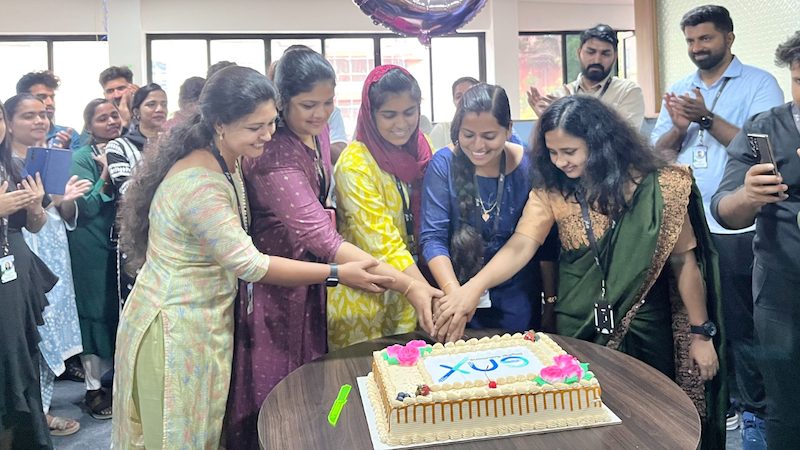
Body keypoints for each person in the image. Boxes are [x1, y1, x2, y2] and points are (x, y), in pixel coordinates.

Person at [111, 65, 392, 448]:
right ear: (220, 124)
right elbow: (252, 264)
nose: (268, 135)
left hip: (204, 321)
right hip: (174, 326)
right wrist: (336, 273)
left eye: (271, 122)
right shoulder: (199, 184)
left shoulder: (228, 158)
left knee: (205, 433)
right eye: (255, 127)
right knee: (177, 437)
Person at [436, 95, 726, 448]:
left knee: (650, 423)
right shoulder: (552, 189)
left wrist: (700, 334)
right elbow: (521, 244)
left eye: (570, 152)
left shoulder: (659, 187)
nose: (560, 162)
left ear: (600, 143)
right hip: (578, 326)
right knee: (584, 425)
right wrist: (472, 288)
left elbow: (684, 264)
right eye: (553, 153)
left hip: (647, 325)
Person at [226, 52, 440, 448]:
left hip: (318, 281)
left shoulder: (317, 134)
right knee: (279, 395)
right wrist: (410, 286)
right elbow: (324, 238)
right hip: (280, 286)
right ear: (282, 100)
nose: (320, 114)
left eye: (328, 102)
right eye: (308, 105)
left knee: (316, 392)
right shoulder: (276, 155)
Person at [650, 6, 783, 441]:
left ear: (728, 37)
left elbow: (763, 152)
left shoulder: (760, 84)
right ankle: (714, 405)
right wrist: (678, 126)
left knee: (740, 324)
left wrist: (707, 118)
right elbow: (658, 155)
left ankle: (751, 411)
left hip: (737, 227)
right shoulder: (679, 88)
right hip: (687, 225)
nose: (696, 49)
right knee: (697, 320)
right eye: (689, 41)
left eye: (704, 39)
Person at [711, 31, 800, 449]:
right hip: (782, 288)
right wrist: (748, 196)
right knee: (783, 396)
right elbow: (724, 210)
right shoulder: (766, 128)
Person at [421, 83, 558, 333]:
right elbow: (433, 238)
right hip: (455, 295)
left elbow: (539, 244)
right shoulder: (443, 164)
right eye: (468, 134)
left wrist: (549, 301)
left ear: (508, 130)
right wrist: (456, 296)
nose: (478, 146)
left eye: (489, 136)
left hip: (517, 301)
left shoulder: (529, 166)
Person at [329, 65, 438, 350]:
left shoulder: (420, 151)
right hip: (367, 304)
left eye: (409, 112)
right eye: (389, 115)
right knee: (360, 389)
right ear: (370, 113)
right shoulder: (355, 164)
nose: (401, 124)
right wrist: (424, 290)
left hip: (414, 295)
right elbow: (382, 242)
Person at [5, 94, 92, 438]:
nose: (39, 121)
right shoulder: (8, 163)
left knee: (49, 331)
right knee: (30, 338)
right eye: (28, 116)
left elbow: (54, 215)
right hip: (22, 256)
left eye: (43, 115)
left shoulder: (49, 160)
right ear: (9, 122)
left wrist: (60, 202)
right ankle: (30, 416)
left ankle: (40, 410)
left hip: (52, 252)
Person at [0, 98, 57, 449]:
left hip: (15, 274)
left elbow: (34, 226)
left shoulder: (13, 165)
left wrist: (35, 206)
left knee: (18, 363)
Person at [63, 99, 123, 420]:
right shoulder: (82, 157)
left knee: (118, 311)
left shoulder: (126, 150)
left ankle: (118, 381)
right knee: (93, 312)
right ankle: (93, 389)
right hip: (89, 244)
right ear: (89, 126)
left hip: (121, 245)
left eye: (115, 114)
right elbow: (84, 206)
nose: (112, 120)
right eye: (102, 118)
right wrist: (104, 175)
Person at [106, 83, 167, 304]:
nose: (159, 109)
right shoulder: (118, 146)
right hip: (135, 233)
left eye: (163, 104)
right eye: (151, 104)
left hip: (171, 232)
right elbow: (126, 189)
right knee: (137, 302)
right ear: (136, 112)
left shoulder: (175, 145)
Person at [527, 24, 645, 130]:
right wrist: (545, 120)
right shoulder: (561, 95)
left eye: (605, 54)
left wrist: (572, 111)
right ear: (579, 53)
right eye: (591, 52)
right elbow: (558, 142)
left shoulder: (627, 91)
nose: (597, 59)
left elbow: (624, 137)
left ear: (615, 57)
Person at [16, 71, 81, 149]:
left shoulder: (69, 135)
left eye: (52, 97)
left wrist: (64, 152)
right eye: (42, 97)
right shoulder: (9, 137)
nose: (50, 102)